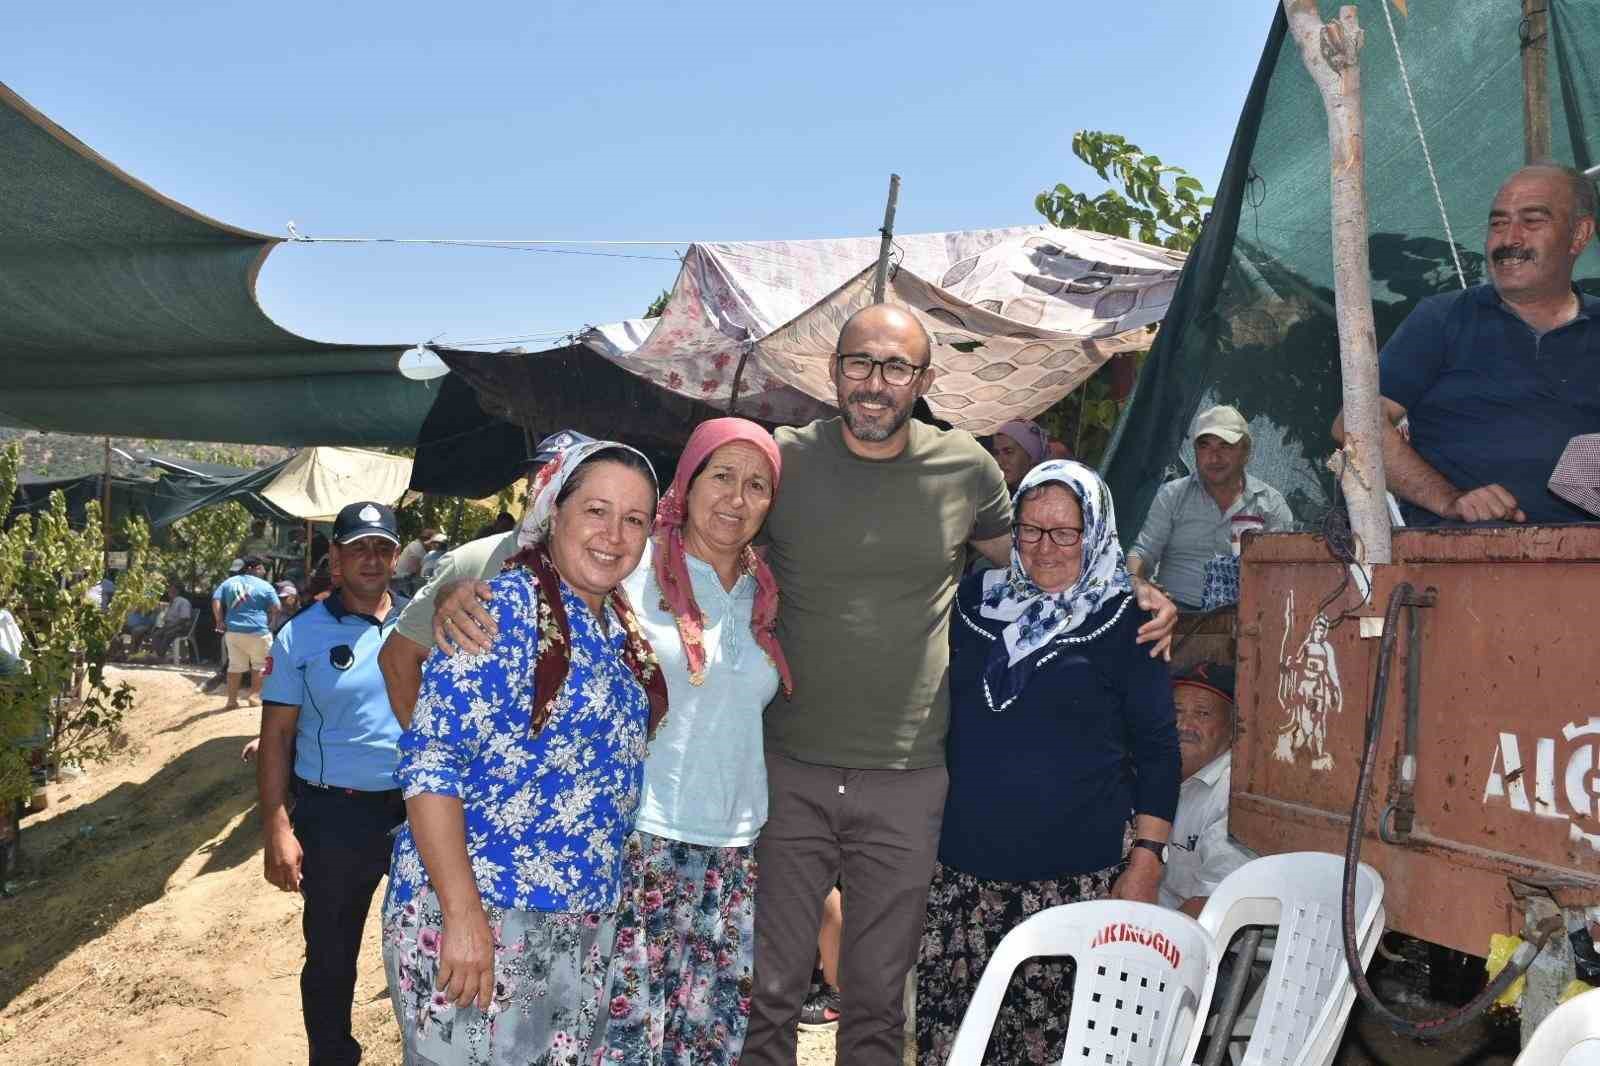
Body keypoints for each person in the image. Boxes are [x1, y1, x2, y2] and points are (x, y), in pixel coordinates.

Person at [740, 304, 1177, 1066]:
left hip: (910, 782)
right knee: (772, 987)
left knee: (876, 999)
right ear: (832, 370)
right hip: (793, 765)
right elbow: (695, 533)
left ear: (925, 380)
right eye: (860, 364)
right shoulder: (785, 461)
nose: (876, 384)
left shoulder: (967, 470)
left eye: (897, 368)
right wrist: (469, 582)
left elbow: (1042, 547)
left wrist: (1135, 588)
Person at [382, 437, 666, 1066]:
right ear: (552, 513)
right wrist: (463, 918)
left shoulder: (618, 631)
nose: (613, 534)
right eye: (596, 510)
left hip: (580, 925)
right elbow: (431, 768)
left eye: (634, 519)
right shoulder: (498, 612)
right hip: (483, 919)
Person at [589, 418, 789, 1066]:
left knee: (709, 1040)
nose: (737, 498)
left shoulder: (763, 590)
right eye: (722, 476)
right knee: (625, 1042)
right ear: (689, 480)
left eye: (757, 484)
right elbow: (539, 575)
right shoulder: (632, 566)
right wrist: (453, 593)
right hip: (639, 838)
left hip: (732, 851)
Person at [1333, 163, 1600, 525]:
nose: (1510, 239)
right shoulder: (1443, 318)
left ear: (1579, 235)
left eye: (1532, 221)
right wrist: (1449, 500)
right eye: (1498, 223)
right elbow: (1355, 423)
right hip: (1459, 558)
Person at [257, 501, 407, 1066]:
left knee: (435, 940)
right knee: (331, 955)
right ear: (336, 560)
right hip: (334, 817)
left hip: (416, 811)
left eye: (383, 548)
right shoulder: (300, 635)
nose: (372, 559)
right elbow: (275, 738)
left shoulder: (422, 622)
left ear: (395, 557)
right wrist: (277, 826)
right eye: (359, 548)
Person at [1128, 404, 1295, 609]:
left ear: (1246, 452)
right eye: (1204, 446)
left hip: (1245, 621)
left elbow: (1283, 573)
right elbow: (1143, 552)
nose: (1213, 457)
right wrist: (1137, 581)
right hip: (1173, 615)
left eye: (1225, 446)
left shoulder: (1270, 505)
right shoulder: (1173, 495)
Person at [1160, 661, 1255, 916]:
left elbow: (1214, 903)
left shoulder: (1232, 793)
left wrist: (1147, 945)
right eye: (1176, 710)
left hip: (1202, 942)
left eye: (1202, 714)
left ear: (1234, 728)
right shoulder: (1155, 773)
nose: (1183, 725)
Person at [212, 557, 281, 710]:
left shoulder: (228, 582)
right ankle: (254, 696)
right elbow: (277, 607)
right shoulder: (265, 585)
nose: (263, 571)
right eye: (261, 568)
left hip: (233, 632)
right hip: (258, 631)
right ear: (252, 568)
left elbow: (216, 600)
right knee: (260, 664)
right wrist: (270, 620)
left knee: (234, 666)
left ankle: (231, 701)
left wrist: (219, 620)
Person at [989, 418, 1049, 491]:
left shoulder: (1050, 497)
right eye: (996, 453)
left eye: (1009, 452)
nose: (999, 461)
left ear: (1031, 456)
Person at [149, 581, 195, 659]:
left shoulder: (183, 602)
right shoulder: (172, 602)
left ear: (177, 591)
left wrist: (171, 626)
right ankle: (159, 654)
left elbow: (184, 618)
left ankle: (160, 656)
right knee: (156, 633)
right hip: (171, 626)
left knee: (167, 633)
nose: (168, 591)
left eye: (171, 589)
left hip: (181, 627)